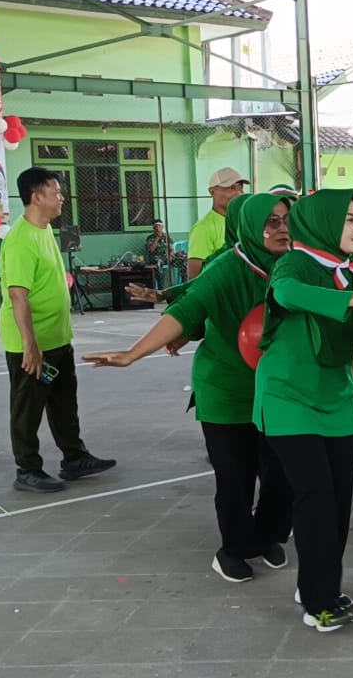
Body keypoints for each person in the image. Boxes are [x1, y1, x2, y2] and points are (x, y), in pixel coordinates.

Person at [83, 193, 296, 582]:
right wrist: (133, 354)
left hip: (276, 389)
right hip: (226, 390)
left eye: (286, 220)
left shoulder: (293, 266)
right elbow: (188, 308)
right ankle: (233, 549)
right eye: (273, 221)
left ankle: (265, 535)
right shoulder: (227, 267)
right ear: (251, 227)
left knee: (282, 473)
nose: (283, 228)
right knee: (236, 478)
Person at [253, 189, 353, 632]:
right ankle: (320, 599)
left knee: (339, 501)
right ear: (322, 222)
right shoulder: (296, 263)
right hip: (287, 398)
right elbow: (286, 293)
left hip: (337, 399)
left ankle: (315, 580)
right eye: (347, 219)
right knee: (316, 496)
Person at [2, 168, 116, 492]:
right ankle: (27, 469)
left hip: (57, 339)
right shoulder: (20, 240)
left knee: (64, 401)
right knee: (28, 408)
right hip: (33, 344)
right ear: (36, 197)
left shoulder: (45, 230)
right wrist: (30, 345)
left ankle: (74, 458)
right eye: (55, 192)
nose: (62, 198)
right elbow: (18, 295)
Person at [188, 168, 249, 279]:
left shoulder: (244, 222)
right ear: (212, 192)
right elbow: (194, 277)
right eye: (231, 188)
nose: (238, 193)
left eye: (241, 187)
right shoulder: (202, 229)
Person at [145, 219, 172, 289]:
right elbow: (151, 250)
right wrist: (157, 238)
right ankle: (161, 289)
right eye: (156, 226)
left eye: (159, 226)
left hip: (167, 257)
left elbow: (171, 249)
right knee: (158, 263)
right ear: (153, 228)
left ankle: (185, 284)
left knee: (183, 260)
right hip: (156, 258)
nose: (158, 228)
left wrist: (170, 255)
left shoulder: (167, 237)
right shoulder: (150, 238)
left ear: (162, 227)